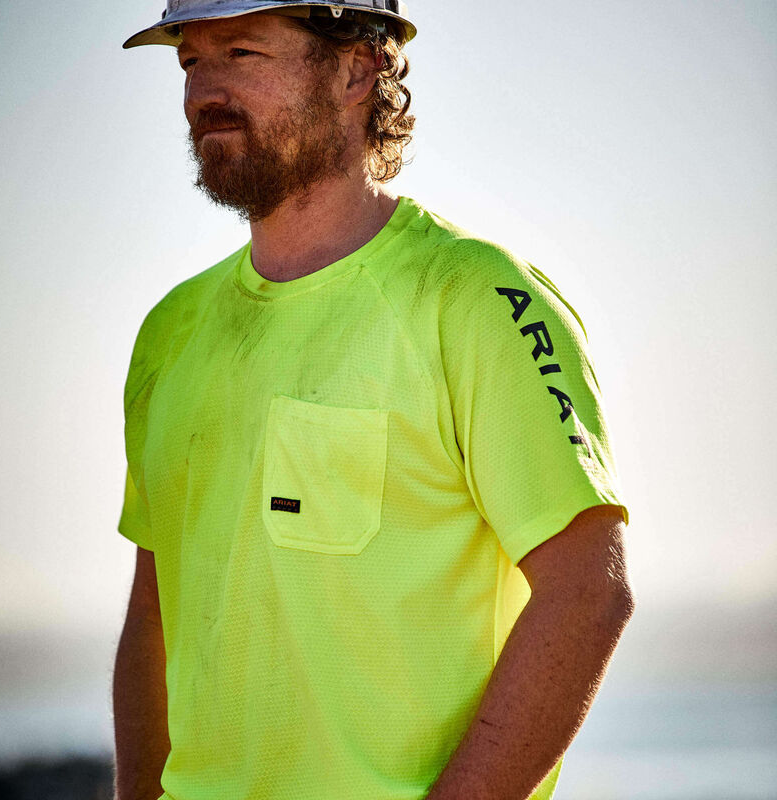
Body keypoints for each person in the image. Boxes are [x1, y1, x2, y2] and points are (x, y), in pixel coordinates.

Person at [113, 2, 635, 799]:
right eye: (190, 61)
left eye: (242, 52)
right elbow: (155, 611)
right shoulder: (170, 332)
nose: (204, 92)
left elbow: (588, 592)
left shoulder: (476, 298)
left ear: (358, 69)